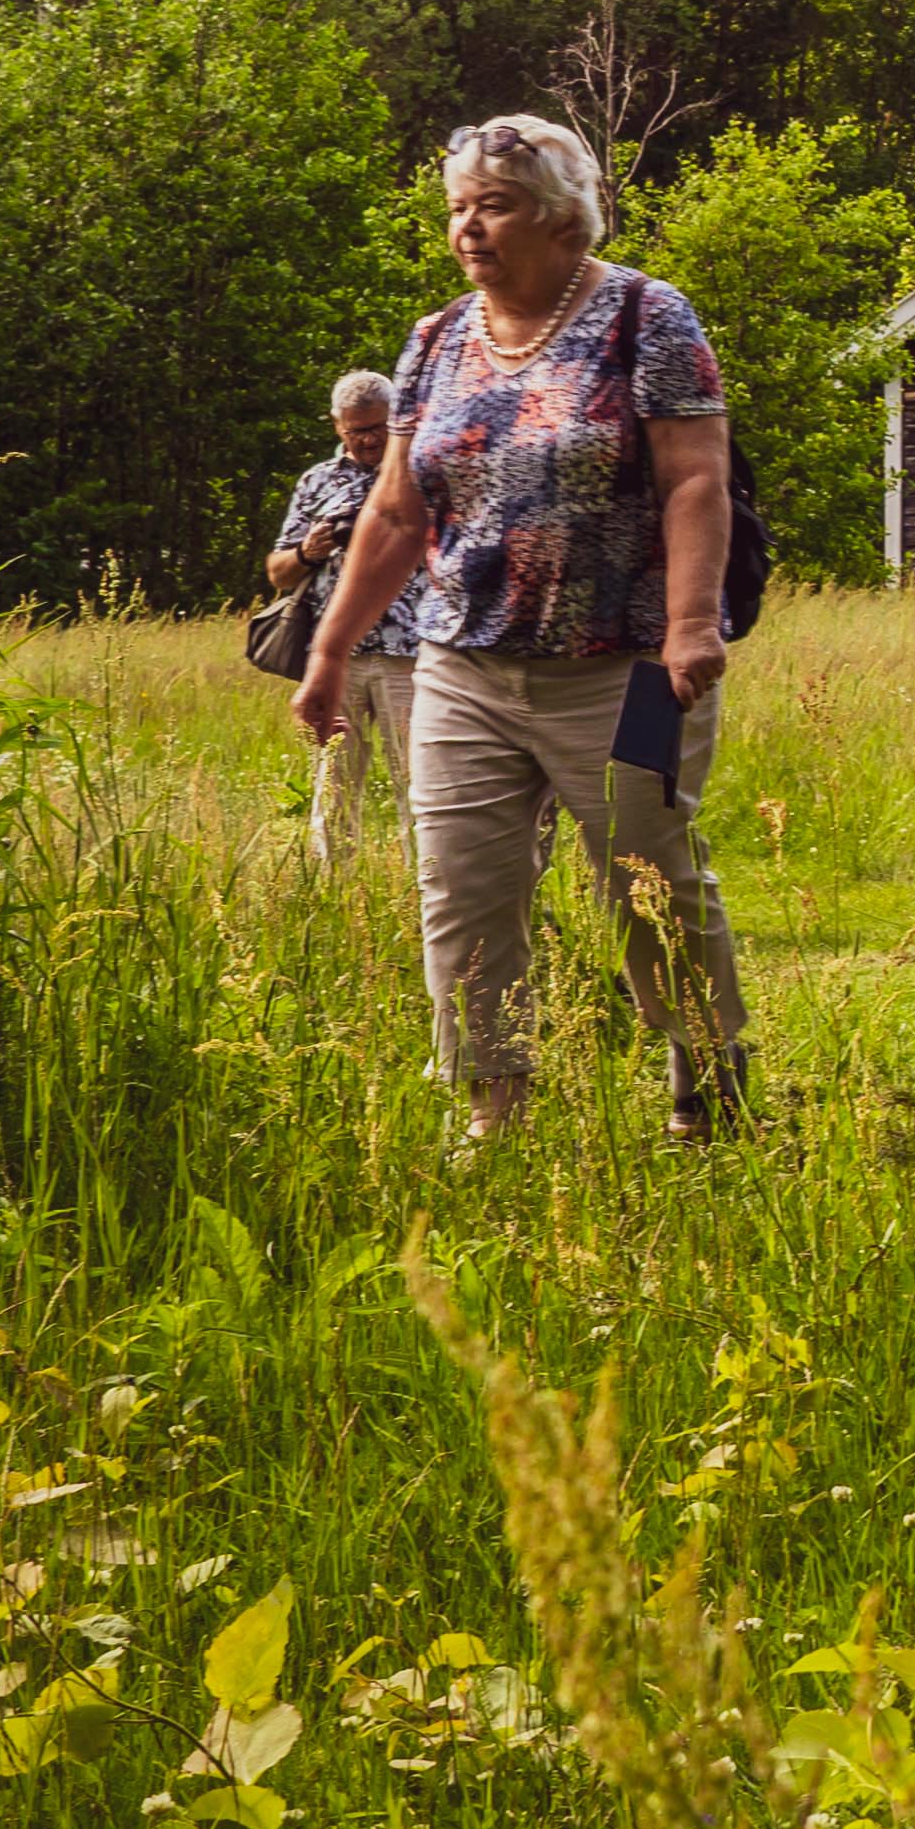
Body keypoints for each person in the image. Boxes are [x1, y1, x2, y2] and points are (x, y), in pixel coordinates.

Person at [284, 116, 753, 1141]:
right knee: (462, 887)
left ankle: (707, 1082)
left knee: (644, 876)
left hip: (629, 668)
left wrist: (687, 625)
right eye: (457, 207)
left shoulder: (648, 316)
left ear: (557, 217)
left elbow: (695, 478)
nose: (468, 228)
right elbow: (399, 513)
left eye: (492, 205)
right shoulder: (436, 340)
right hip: (462, 662)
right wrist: (326, 652)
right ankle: (491, 1105)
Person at [267, 368, 416, 864]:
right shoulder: (316, 482)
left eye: (378, 427)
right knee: (333, 784)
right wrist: (309, 552)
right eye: (358, 430)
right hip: (337, 658)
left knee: (420, 785)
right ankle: (335, 890)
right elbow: (278, 572)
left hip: (409, 656)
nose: (370, 440)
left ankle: (427, 889)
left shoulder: (417, 472)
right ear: (337, 427)